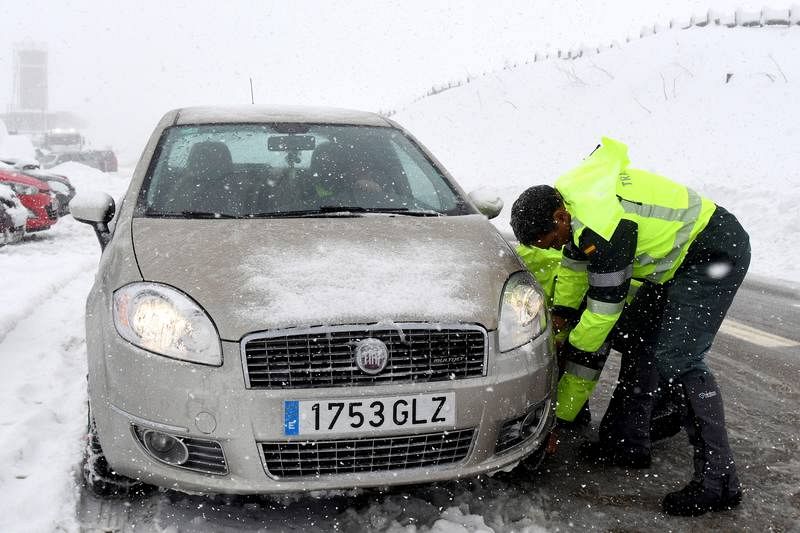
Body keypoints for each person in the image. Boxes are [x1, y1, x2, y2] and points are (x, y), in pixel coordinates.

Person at [510, 137, 749, 516]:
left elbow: (602, 314)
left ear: (560, 218)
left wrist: (567, 357)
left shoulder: (602, 226)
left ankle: (720, 480)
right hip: (674, 267)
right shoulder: (572, 207)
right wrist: (562, 315)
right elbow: (572, 266)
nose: (553, 249)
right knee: (634, 335)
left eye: (549, 241)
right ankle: (626, 440)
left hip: (711, 251)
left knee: (677, 358)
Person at [517, 243, 684, 468]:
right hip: (625, 293)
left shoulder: (589, 303)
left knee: (639, 379)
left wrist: (555, 423)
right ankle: (592, 419)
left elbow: (583, 368)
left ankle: (643, 433)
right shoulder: (526, 261)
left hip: (651, 306)